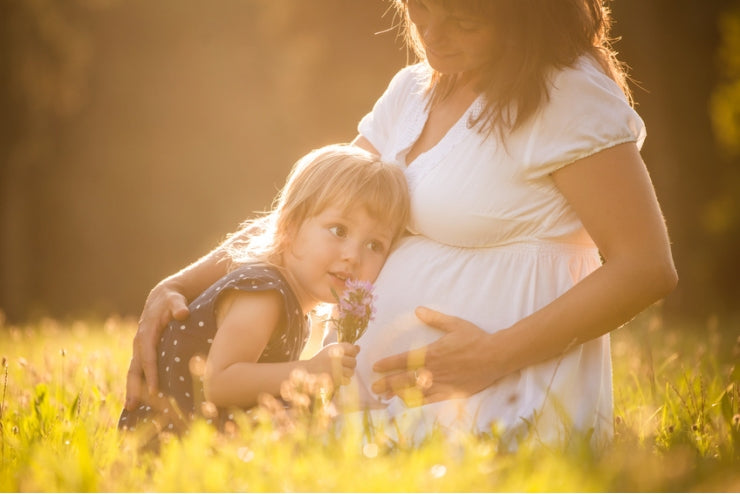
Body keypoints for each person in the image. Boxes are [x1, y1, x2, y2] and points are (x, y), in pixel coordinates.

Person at [125, 0, 677, 447]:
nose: (434, 34)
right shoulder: (412, 90)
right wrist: (177, 285)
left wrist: (491, 357)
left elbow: (645, 266)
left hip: (507, 396)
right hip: (366, 410)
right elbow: (311, 211)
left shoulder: (566, 95)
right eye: (421, 9)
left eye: (465, 20)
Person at [118, 144, 410, 434]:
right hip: (169, 443)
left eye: (374, 245)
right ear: (290, 226)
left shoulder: (289, 301)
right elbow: (220, 383)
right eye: (339, 230)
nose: (353, 255)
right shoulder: (265, 293)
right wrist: (311, 371)